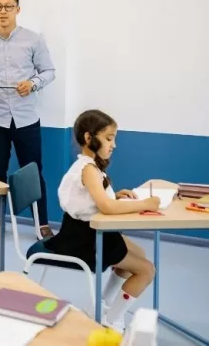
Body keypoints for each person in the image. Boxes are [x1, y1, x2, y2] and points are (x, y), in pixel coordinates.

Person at [44, 110, 157, 331]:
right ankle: (112, 321)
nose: (113, 144)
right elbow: (105, 207)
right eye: (109, 138)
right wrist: (145, 204)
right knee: (146, 270)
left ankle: (102, 305)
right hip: (83, 239)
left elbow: (95, 201)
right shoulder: (87, 169)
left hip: (89, 231)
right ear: (89, 138)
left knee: (138, 255)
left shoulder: (90, 166)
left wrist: (116, 195)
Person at [0, 0, 57, 242]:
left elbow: (49, 71)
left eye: (9, 6)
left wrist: (33, 84)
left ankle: (41, 225)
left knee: (33, 172)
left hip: (26, 117)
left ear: (18, 9)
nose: (3, 11)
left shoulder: (33, 40)